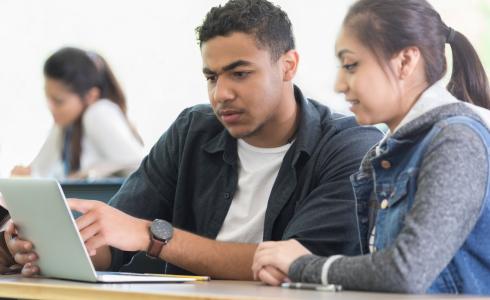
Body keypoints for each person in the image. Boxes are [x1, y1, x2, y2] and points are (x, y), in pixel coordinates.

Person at [1, 0, 382, 280]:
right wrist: (52, 248)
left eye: (239, 74)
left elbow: (296, 264)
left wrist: (152, 236)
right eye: (212, 77)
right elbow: (113, 246)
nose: (221, 94)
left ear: (288, 65)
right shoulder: (192, 131)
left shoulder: (350, 147)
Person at [252, 0, 490, 294]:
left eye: (351, 65)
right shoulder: (392, 150)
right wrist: (295, 270)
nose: (339, 84)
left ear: (405, 62)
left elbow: (404, 272)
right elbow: (381, 270)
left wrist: (302, 264)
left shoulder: (456, 141)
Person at [11, 47, 144, 179]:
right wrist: (27, 174)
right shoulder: (65, 123)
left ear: (91, 96)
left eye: (58, 101)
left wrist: (88, 174)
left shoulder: (98, 112)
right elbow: (39, 170)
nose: (50, 107)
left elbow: (138, 165)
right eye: (48, 98)